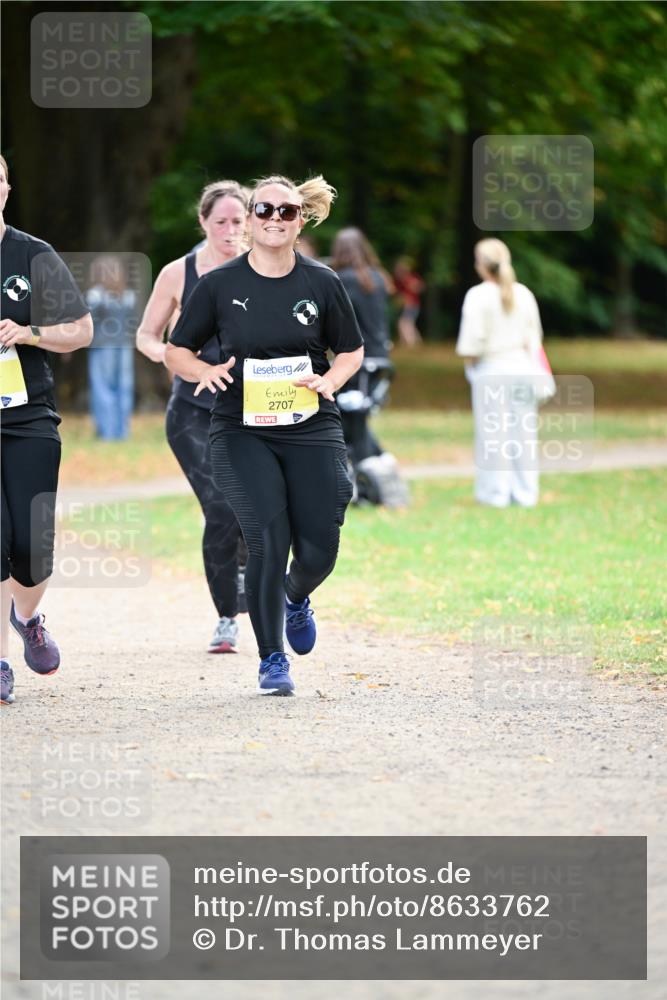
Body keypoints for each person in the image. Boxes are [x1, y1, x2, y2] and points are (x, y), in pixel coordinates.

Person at [165, 174, 364, 695]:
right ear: (250, 219)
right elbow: (176, 348)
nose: (275, 219)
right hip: (241, 428)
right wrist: (199, 373)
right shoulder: (220, 285)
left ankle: (295, 596)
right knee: (267, 538)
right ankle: (272, 659)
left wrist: (331, 380)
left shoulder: (321, 282)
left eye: (287, 212)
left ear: (302, 221)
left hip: (310, 423)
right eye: (265, 210)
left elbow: (350, 349)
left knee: (320, 547)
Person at [136, 180, 249, 653]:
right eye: (219, 221)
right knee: (221, 506)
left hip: (252, 408)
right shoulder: (178, 273)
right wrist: (171, 355)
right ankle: (227, 616)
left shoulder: (262, 268)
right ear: (202, 222)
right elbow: (146, 334)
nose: (229, 229)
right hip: (192, 412)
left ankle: (248, 572)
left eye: (238, 221)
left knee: (254, 508)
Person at [0, 153, 93, 705]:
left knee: (31, 547)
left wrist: (28, 331)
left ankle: (27, 617)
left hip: (29, 416)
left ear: (7, 189)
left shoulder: (33, 256)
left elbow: (80, 331)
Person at [456, 238, 546, 508]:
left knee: (493, 434)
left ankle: (495, 493)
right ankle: (525, 492)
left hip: (491, 369)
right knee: (523, 433)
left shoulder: (478, 295)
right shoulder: (524, 293)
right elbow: (535, 336)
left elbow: (471, 343)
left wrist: (471, 368)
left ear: (482, 264)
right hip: (522, 367)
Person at [330, 226, 393, 465]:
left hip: (357, 358)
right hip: (380, 355)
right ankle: (378, 460)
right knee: (357, 416)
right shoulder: (377, 277)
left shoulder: (343, 280)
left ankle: (371, 463)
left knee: (350, 417)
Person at [86, 254, 136, 440]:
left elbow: (89, 323)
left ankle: (107, 433)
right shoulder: (129, 295)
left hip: (101, 346)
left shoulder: (95, 295)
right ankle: (122, 432)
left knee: (102, 387)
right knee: (124, 388)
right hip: (124, 346)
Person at [393, 256, 424, 346]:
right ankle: (417, 343)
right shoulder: (400, 281)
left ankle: (410, 344)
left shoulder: (410, 278)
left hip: (412, 305)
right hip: (408, 305)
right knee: (409, 324)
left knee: (403, 323)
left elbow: (419, 287)